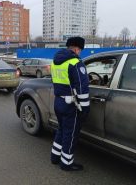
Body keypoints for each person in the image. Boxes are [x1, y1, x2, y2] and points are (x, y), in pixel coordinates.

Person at [50, 37, 90, 171]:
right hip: (70, 105)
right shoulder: (75, 63)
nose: (80, 53)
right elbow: (82, 88)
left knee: (61, 130)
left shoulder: (55, 62)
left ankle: (55, 157)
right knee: (70, 134)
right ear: (77, 49)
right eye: (80, 50)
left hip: (58, 101)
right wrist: (85, 109)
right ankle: (66, 163)